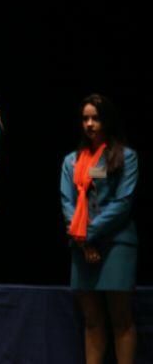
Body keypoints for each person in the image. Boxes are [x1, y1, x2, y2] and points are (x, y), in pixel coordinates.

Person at [60, 94, 137, 364]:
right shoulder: (71, 161)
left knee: (121, 321)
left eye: (96, 118)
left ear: (107, 120)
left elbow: (122, 204)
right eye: (85, 118)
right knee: (92, 322)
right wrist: (82, 243)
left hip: (116, 243)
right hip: (82, 246)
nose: (90, 124)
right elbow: (67, 203)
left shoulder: (126, 157)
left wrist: (87, 235)